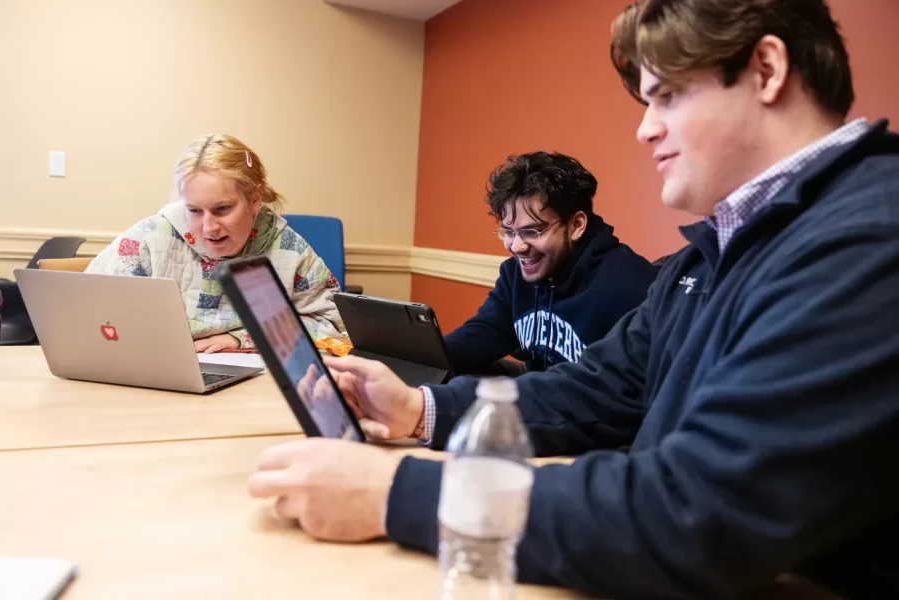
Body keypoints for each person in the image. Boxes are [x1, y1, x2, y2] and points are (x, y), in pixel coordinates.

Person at [245, 1, 899, 598]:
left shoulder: (869, 238)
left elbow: (697, 511)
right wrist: (420, 409)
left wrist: (391, 493)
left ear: (765, 69)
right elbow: (594, 390)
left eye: (667, 96)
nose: (645, 130)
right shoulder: (707, 258)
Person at [86, 134, 345, 352]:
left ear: (255, 199)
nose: (209, 228)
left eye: (222, 209)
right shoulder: (151, 238)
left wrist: (241, 340)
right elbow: (88, 305)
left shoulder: (289, 249)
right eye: (195, 211)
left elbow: (333, 326)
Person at [443, 151, 657, 375]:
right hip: (540, 387)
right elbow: (483, 333)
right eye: (508, 232)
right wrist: (423, 357)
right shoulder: (516, 273)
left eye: (532, 232)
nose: (517, 247)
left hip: (586, 402)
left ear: (576, 225)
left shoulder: (629, 288)